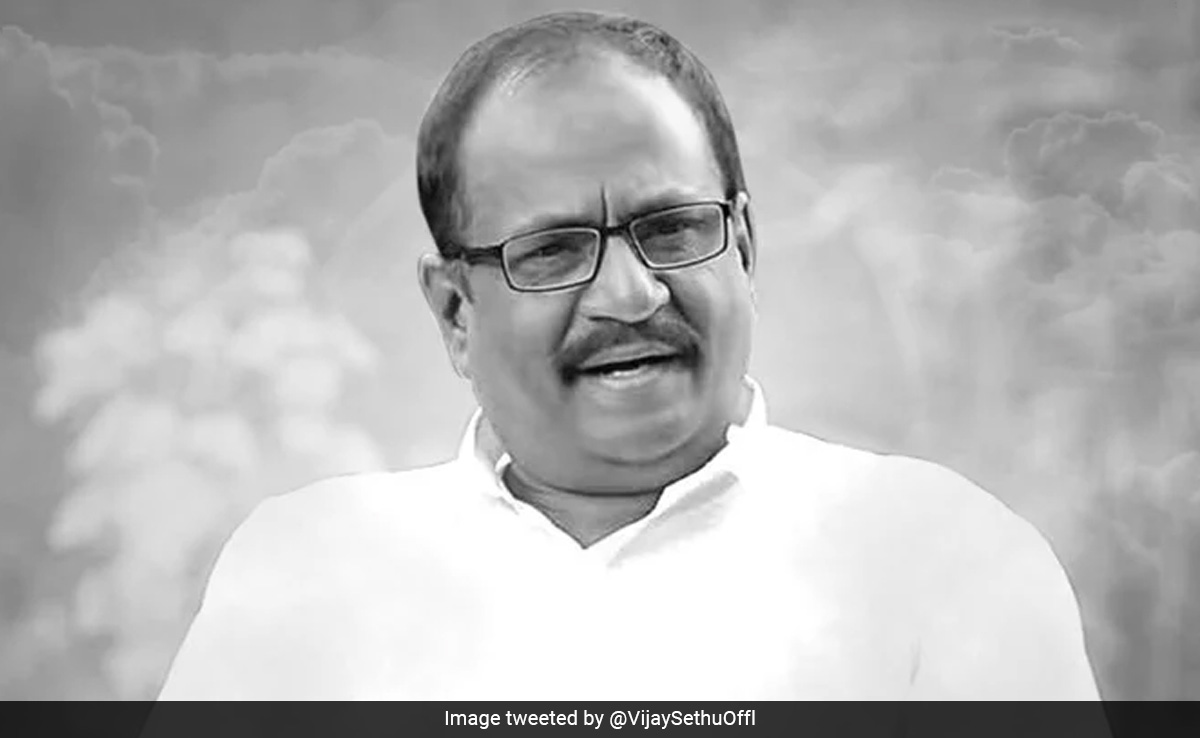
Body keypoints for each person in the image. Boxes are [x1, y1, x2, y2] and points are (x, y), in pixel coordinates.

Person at [157, 10, 1104, 701]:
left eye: (672, 229)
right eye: (552, 251)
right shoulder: (311, 575)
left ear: (745, 250)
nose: (630, 295)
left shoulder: (943, 564)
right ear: (454, 311)